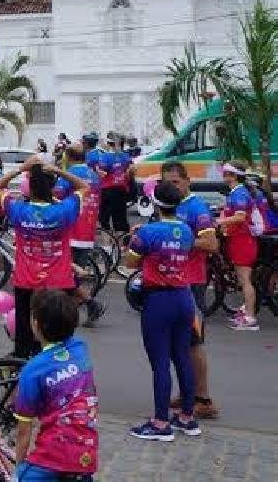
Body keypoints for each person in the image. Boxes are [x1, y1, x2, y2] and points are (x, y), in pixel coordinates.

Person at [0, 156, 89, 359]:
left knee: (25, 338)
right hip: (58, 282)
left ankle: (25, 375)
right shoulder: (63, 210)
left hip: (26, 282)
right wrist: (58, 171)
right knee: (58, 336)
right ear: (52, 188)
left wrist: (20, 168)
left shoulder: (19, 210)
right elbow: (84, 187)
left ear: (29, 188)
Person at [126, 181, 201, 441]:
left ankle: (160, 423)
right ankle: (188, 417)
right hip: (184, 297)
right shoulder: (188, 231)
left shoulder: (148, 233)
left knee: (160, 362)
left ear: (155, 204)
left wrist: (136, 239)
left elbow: (131, 261)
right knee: (182, 356)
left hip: (158, 300)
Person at [12, 289, 100, 480]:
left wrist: (17, 471)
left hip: (52, 456)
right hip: (86, 453)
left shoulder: (33, 370)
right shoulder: (80, 349)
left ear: (36, 324)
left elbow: (23, 431)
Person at [158, 161, 219, 420]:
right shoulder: (169, 205)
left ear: (187, 181)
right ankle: (188, 391)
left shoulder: (196, 208)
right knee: (177, 344)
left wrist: (177, 240)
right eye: (166, 182)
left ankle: (204, 399)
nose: (171, 186)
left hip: (191, 283)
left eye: (175, 182)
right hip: (171, 282)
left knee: (194, 343)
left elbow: (211, 243)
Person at [56, 144, 105, 325]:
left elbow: (57, 196)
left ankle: (91, 304)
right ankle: (75, 312)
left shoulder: (69, 175)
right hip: (87, 232)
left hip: (70, 231)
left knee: (65, 275)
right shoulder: (94, 175)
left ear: (68, 157)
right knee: (71, 277)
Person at [220, 163, 260, 331]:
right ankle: (246, 312)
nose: (223, 176)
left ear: (233, 175)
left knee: (245, 281)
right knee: (242, 279)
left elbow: (240, 216)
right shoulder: (237, 192)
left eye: (226, 173)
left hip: (243, 241)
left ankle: (250, 319)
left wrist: (219, 221)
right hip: (238, 240)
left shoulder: (240, 193)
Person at [96, 136, 132, 233]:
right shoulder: (125, 156)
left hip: (107, 189)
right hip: (121, 189)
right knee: (120, 218)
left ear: (109, 144)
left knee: (104, 218)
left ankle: (107, 244)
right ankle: (122, 244)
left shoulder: (105, 156)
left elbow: (102, 173)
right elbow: (130, 172)